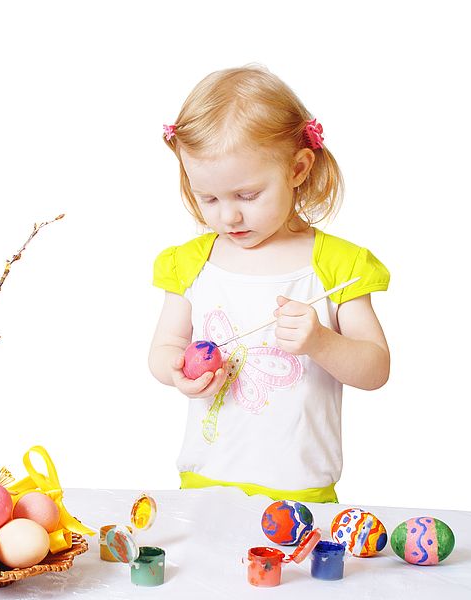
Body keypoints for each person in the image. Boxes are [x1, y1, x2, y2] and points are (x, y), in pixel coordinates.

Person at [148, 65, 390, 503]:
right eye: (209, 198)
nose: (228, 216)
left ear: (297, 169)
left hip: (301, 493)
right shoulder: (190, 263)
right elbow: (164, 348)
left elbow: (376, 369)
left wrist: (321, 342)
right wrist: (178, 372)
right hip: (203, 485)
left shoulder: (338, 264)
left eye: (247, 195)